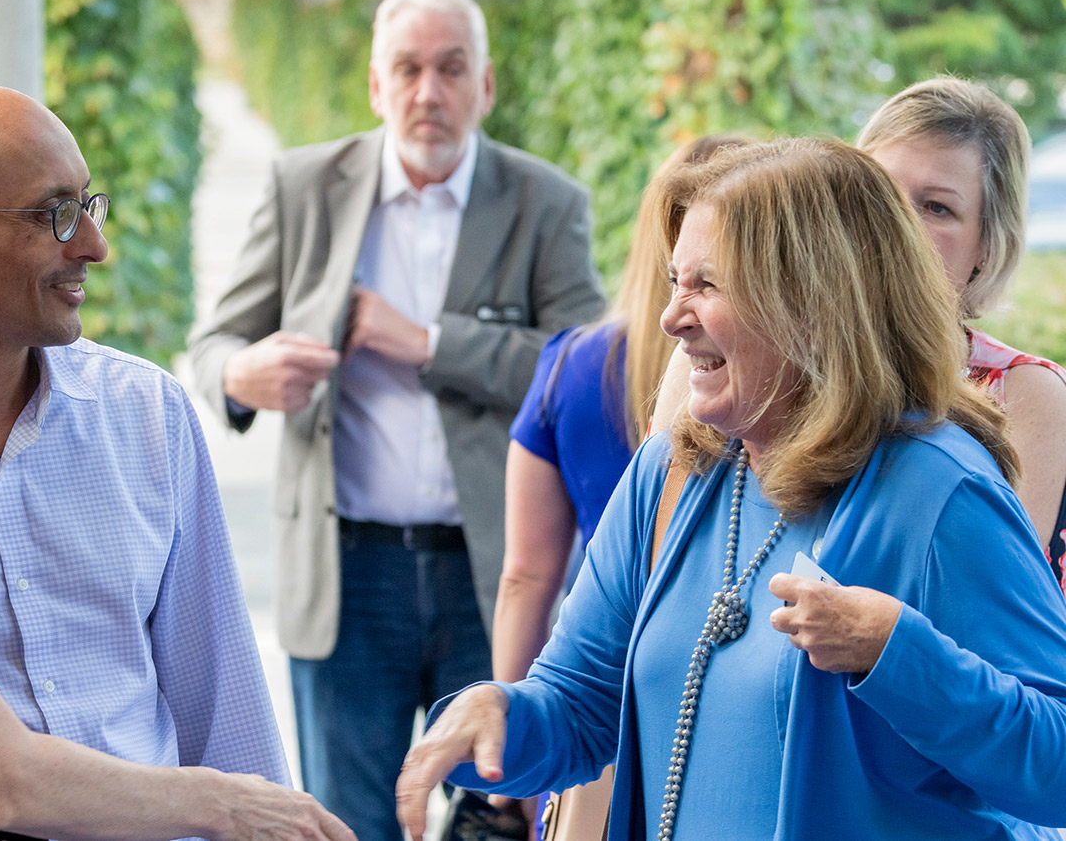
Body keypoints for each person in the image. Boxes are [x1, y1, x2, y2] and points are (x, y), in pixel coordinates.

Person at [395, 138, 1066, 840]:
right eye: (674, 280)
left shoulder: (940, 491)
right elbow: (580, 703)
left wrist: (899, 655)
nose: (670, 317)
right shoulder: (671, 471)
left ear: (813, 301)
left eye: (707, 285)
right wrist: (494, 717)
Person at [0, 82, 352, 841]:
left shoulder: (145, 416)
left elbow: (223, 709)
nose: (93, 245)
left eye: (90, 205)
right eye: (53, 213)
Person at [188, 0, 605, 837]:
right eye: (408, 70)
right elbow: (216, 341)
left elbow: (583, 368)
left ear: (484, 86)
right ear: (376, 88)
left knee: (493, 819)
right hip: (348, 575)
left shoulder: (545, 202)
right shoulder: (304, 185)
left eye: (451, 69)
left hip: (489, 574)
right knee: (346, 823)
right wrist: (243, 371)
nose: (429, 92)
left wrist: (425, 342)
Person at [491, 134, 750, 836]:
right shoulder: (701, 429)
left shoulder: (573, 365)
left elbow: (525, 576)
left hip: (601, 718)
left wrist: (508, 735)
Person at [857, 75, 1066, 589]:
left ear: (986, 249)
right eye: (880, 192)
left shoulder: (1024, 394)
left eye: (936, 207)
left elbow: (984, 599)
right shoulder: (761, 357)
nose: (897, 224)